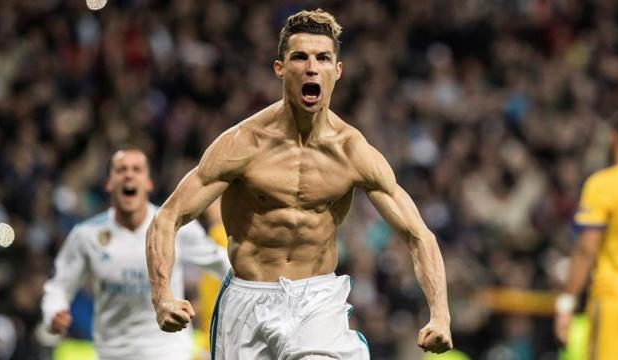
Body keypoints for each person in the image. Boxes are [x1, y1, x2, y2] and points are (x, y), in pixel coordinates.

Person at [146, 9, 452, 359]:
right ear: (280, 68)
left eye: (323, 58)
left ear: (336, 71)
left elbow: (418, 236)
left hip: (316, 301)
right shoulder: (243, 144)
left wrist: (441, 316)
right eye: (300, 57)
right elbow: (167, 217)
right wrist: (162, 298)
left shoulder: (353, 153)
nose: (311, 67)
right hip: (246, 301)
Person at [41, 147, 231, 360]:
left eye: (136, 169)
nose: (129, 174)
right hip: (113, 353)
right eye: (121, 170)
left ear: (149, 183)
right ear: (109, 183)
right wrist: (54, 312)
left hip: (168, 352)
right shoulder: (87, 236)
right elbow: (58, 287)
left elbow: (224, 264)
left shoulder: (178, 230)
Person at [555, 113, 618, 358]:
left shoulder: (604, 185)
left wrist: (566, 303)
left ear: (614, 138)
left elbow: (586, 250)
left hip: (614, 299)